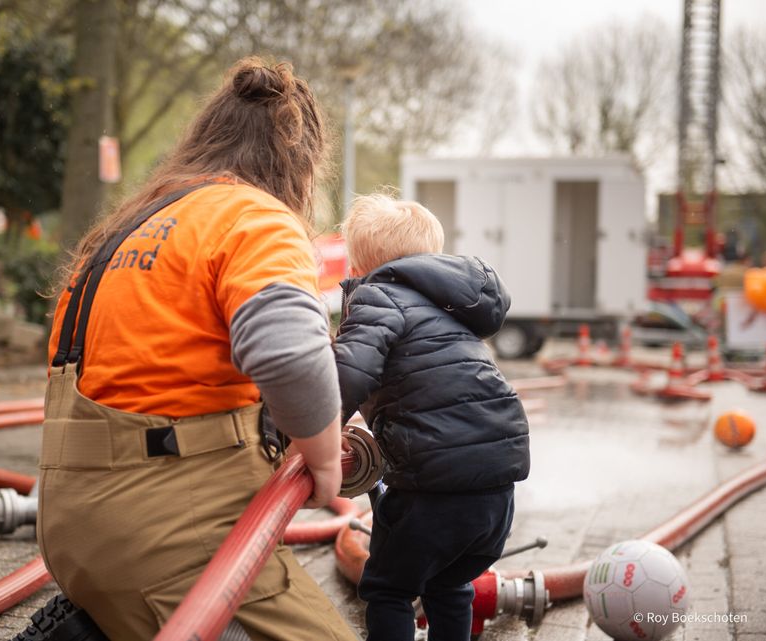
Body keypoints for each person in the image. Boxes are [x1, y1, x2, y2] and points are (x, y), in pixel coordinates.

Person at [38, 57, 356, 641]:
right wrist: (325, 459)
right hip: (167, 525)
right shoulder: (255, 218)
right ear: (298, 162)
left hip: (69, 520)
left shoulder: (130, 222)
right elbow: (289, 354)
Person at [333, 194, 530, 641]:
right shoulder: (454, 309)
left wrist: (316, 430)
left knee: (388, 588)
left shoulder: (376, 296)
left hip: (432, 490)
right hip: (498, 489)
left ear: (361, 265)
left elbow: (350, 370)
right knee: (450, 582)